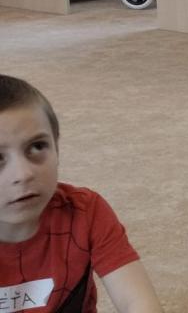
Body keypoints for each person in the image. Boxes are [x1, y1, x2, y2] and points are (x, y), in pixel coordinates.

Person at [0, 74, 164, 312]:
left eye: (37, 146)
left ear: (57, 147)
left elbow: (137, 302)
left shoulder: (86, 212)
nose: (23, 174)